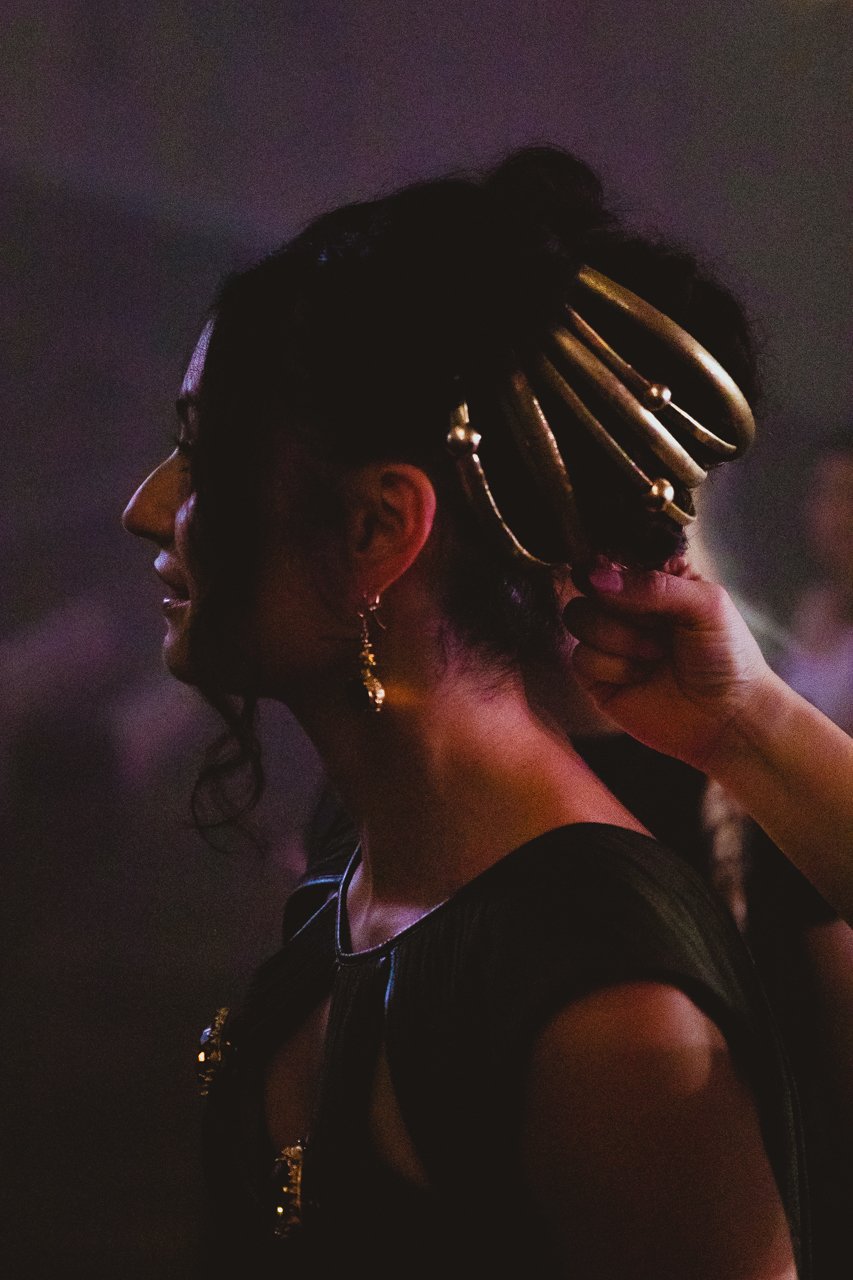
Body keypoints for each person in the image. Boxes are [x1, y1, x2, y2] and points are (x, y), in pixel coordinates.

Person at [123, 148, 805, 1277]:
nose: (147, 510)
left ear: (377, 529)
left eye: (201, 453)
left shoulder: (607, 1013)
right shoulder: (364, 855)